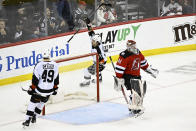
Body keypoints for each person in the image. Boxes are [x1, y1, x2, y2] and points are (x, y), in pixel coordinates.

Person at [114, 40, 159, 116]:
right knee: (136, 92)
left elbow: (143, 63)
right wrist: (119, 79)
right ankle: (134, 107)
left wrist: (149, 69)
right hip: (128, 76)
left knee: (140, 92)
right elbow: (119, 69)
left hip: (137, 75)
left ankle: (134, 106)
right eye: (132, 46)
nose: (134, 47)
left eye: (135, 46)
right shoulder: (124, 55)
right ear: (128, 47)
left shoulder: (138, 52)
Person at [22, 51, 59, 127]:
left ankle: (27, 120)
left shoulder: (39, 65)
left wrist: (32, 88)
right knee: (42, 102)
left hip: (39, 90)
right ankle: (35, 116)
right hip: (49, 91)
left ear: (43, 58)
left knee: (32, 103)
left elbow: (35, 79)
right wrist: (55, 89)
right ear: (49, 57)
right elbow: (56, 79)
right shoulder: (55, 65)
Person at [80, 18, 107, 87]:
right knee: (95, 65)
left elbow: (103, 60)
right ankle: (99, 79)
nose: (92, 42)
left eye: (93, 41)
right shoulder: (95, 41)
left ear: (97, 42)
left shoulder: (98, 49)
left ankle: (87, 82)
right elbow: (91, 32)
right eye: (92, 41)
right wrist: (88, 24)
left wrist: (99, 65)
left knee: (86, 70)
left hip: (101, 64)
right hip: (98, 62)